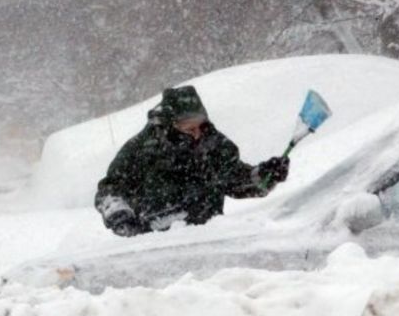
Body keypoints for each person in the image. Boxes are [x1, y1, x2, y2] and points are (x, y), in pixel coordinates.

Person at [95, 85, 290, 237]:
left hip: (207, 237)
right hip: (153, 242)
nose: (197, 135)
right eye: (189, 129)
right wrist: (117, 213)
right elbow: (110, 189)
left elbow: (234, 177)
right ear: (170, 126)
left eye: (200, 126)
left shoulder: (213, 144)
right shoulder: (140, 149)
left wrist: (263, 176)